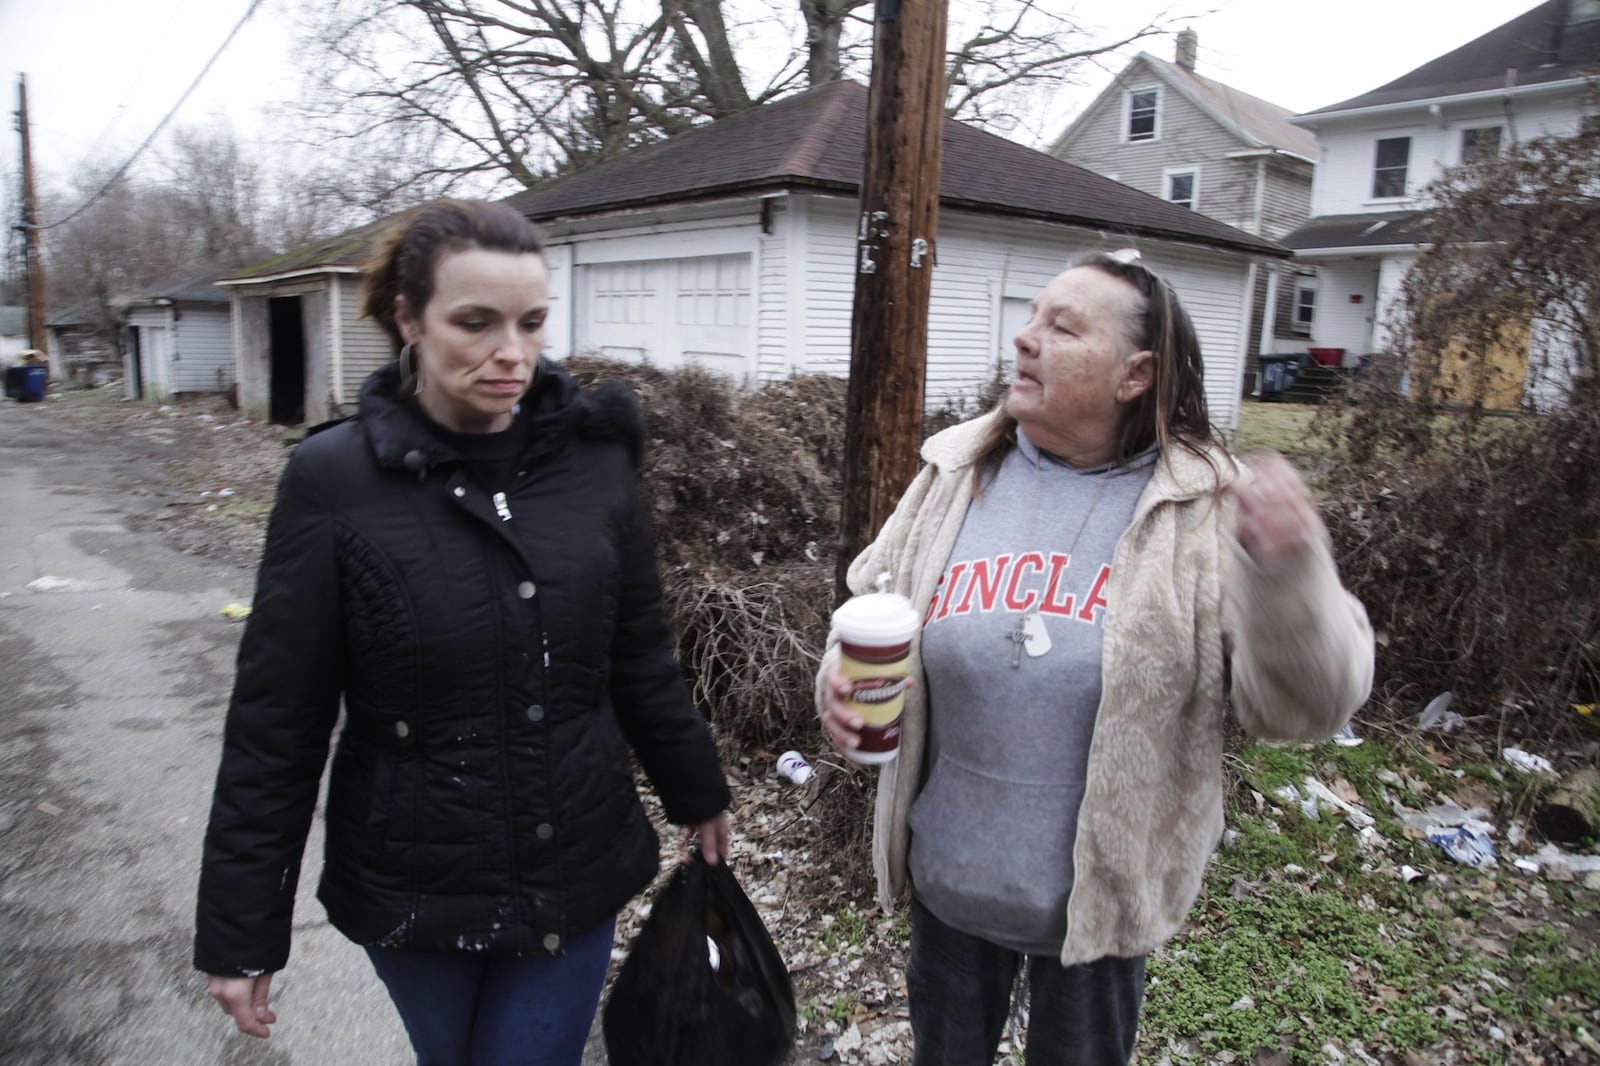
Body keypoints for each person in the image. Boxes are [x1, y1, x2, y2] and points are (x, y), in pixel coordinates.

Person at [195, 199, 732, 1066]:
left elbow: (639, 655)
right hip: (416, 880)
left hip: (576, 862)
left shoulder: (594, 464)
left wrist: (696, 789)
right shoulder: (333, 483)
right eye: (475, 323)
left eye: (531, 323)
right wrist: (240, 927)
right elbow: (276, 722)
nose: (511, 354)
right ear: (408, 319)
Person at [817, 250, 1374, 1066]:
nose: (1025, 339)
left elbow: (1308, 709)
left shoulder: (1201, 508)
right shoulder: (954, 471)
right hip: (948, 893)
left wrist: (1288, 577)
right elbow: (871, 607)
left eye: (1063, 327)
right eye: (1033, 317)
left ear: (1135, 373)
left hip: (1100, 920)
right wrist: (839, 673)